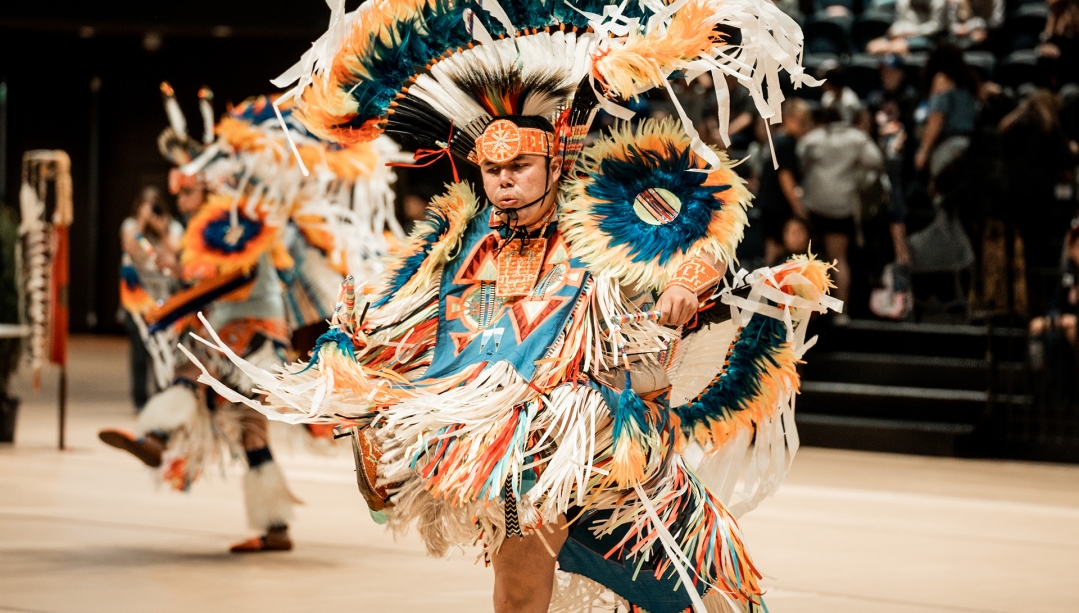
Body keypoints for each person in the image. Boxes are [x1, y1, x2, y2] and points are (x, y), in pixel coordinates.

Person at [195, 3, 841, 611]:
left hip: (618, 459)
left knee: (720, 596)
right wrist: (356, 366)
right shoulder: (458, 239)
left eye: (519, 165)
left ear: (554, 157)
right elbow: (400, 321)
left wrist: (685, 285)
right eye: (491, 167)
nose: (502, 178)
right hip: (523, 458)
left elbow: (703, 218)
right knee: (518, 595)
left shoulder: (606, 217)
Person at [100, 86, 402, 553]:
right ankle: (275, 527)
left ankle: (158, 438)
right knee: (248, 428)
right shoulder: (211, 224)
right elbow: (200, 276)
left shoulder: (239, 216)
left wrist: (180, 284)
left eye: (186, 188)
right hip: (236, 324)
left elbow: (233, 274)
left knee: (191, 371)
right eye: (177, 189)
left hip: (251, 326)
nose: (179, 197)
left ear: (207, 184)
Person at [799, 106, 886, 316]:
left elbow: (799, 161)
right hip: (841, 207)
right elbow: (877, 161)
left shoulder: (813, 138)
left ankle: (806, 310)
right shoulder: (857, 138)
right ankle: (841, 312)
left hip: (813, 206)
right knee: (839, 259)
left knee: (806, 259)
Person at [118, 186, 183, 410]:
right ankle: (140, 401)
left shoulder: (173, 227)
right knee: (139, 351)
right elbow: (129, 248)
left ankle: (162, 395)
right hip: (138, 297)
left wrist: (162, 231)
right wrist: (142, 223)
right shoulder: (130, 225)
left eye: (154, 206)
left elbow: (173, 256)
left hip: (164, 296)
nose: (150, 211)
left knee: (165, 349)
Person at [757, 98, 813, 265]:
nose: (805, 127)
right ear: (788, 118)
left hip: (767, 204)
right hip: (778, 206)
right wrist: (798, 208)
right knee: (780, 252)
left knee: (771, 250)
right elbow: (785, 177)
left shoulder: (775, 140)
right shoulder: (787, 143)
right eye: (801, 122)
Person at [915, 44, 980, 179]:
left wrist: (924, 150)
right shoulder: (968, 83)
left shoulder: (942, 80)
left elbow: (936, 119)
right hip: (970, 147)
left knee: (944, 195)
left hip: (949, 148)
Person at [867, 0, 947, 55]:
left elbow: (936, 26)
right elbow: (899, 21)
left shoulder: (938, 2)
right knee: (872, 46)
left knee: (898, 49)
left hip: (925, 37)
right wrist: (895, 31)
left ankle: (890, 49)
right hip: (902, 34)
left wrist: (912, 31)